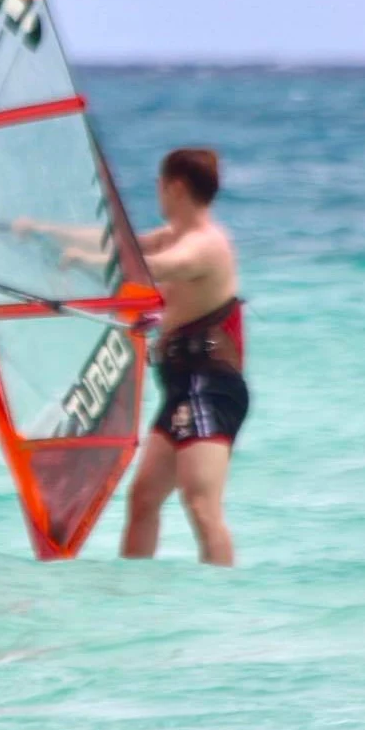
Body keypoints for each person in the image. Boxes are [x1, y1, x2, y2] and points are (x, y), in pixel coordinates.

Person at [119, 148, 247, 566]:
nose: (157, 191)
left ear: (174, 187)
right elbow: (119, 245)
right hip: (181, 387)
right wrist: (40, 234)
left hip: (210, 387)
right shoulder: (173, 235)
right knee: (143, 498)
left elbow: (153, 266)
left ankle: (223, 596)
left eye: (159, 184)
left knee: (201, 506)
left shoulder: (205, 244)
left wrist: (89, 262)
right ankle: (131, 590)